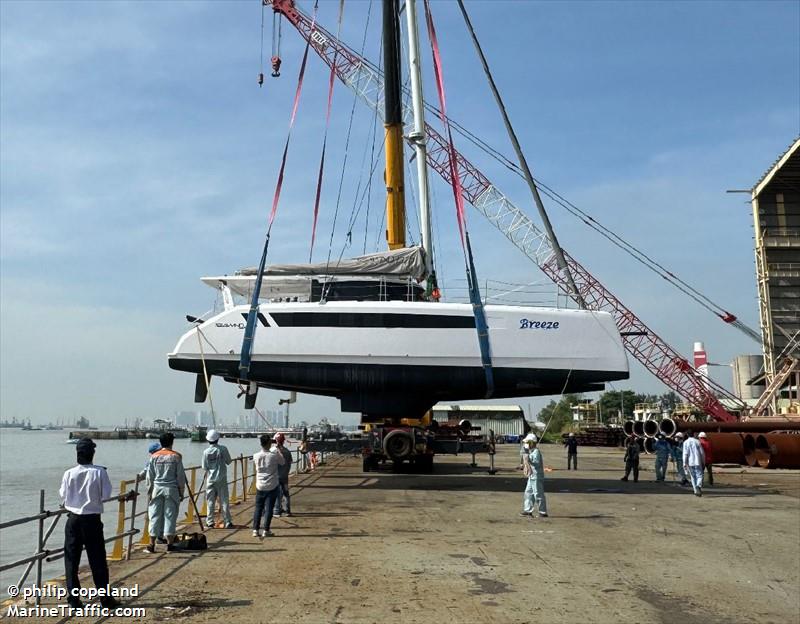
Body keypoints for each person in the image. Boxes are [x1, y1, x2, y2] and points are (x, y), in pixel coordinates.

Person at [59, 438, 120, 610]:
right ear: (93, 453)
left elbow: (63, 495)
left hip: (73, 520)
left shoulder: (68, 473)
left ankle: (73, 600)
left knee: (71, 561)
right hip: (92, 520)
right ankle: (105, 599)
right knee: (98, 560)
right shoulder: (100, 472)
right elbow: (106, 495)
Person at [145, 432, 186, 552]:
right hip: (171, 489)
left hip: (157, 488)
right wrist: (181, 492)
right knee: (170, 516)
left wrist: (150, 491)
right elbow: (180, 477)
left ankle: (151, 544)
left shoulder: (154, 457)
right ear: (172, 442)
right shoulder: (176, 456)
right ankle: (170, 545)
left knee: (154, 516)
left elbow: (149, 476)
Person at [252, 433, 285, 537]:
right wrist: (278, 449)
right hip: (272, 485)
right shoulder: (273, 455)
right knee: (269, 508)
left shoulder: (255, 456)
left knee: (258, 508)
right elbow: (283, 462)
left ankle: (255, 530)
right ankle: (266, 530)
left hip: (260, 485)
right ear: (269, 443)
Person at [202, 429, 233, 528]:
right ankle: (227, 521)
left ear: (208, 440)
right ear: (217, 439)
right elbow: (229, 461)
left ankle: (210, 521)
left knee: (210, 501)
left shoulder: (206, 452)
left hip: (210, 479)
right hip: (221, 479)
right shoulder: (223, 449)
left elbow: (204, 467)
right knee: (224, 500)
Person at [520, 434, 548, 518]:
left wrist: (529, 459)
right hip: (531, 475)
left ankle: (543, 512)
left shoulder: (536, 452)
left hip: (536, 476)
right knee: (528, 493)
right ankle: (528, 510)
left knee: (538, 494)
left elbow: (536, 463)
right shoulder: (531, 452)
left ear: (531, 443)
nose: (526, 444)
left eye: (527, 442)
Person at [272, 433, 294, 517]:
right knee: (286, 493)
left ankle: (277, 510)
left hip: (276, 476)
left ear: (276, 441)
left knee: (277, 493)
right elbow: (290, 462)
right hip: (285, 476)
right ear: (283, 441)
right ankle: (287, 510)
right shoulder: (287, 451)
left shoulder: (273, 451)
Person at [682, 431, 706, 497]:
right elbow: (702, 453)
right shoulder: (697, 442)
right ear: (694, 434)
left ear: (687, 435)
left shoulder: (685, 442)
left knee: (693, 477)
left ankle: (695, 491)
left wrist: (684, 463)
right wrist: (703, 462)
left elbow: (685, 454)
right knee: (700, 475)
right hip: (698, 462)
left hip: (690, 462)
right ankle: (698, 486)